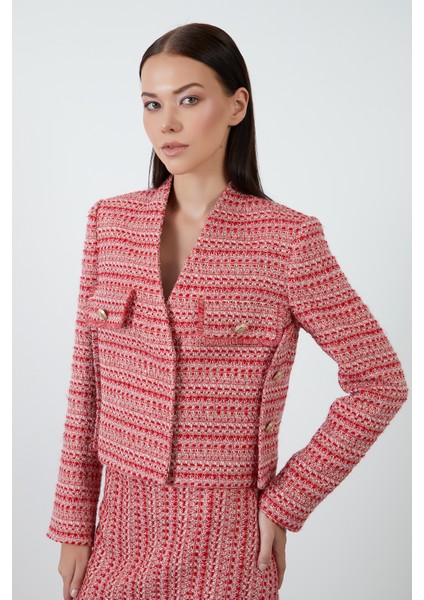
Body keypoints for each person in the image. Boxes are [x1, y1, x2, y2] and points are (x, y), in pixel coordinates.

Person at [46, 22, 408, 600]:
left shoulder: (287, 240)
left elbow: (380, 381)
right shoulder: (110, 224)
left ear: (237, 106)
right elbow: (85, 385)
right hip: (120, 527)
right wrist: (72, 523)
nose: (166, 123)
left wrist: (289, 501)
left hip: (229, 537)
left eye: (189, 100)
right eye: (152, 104)